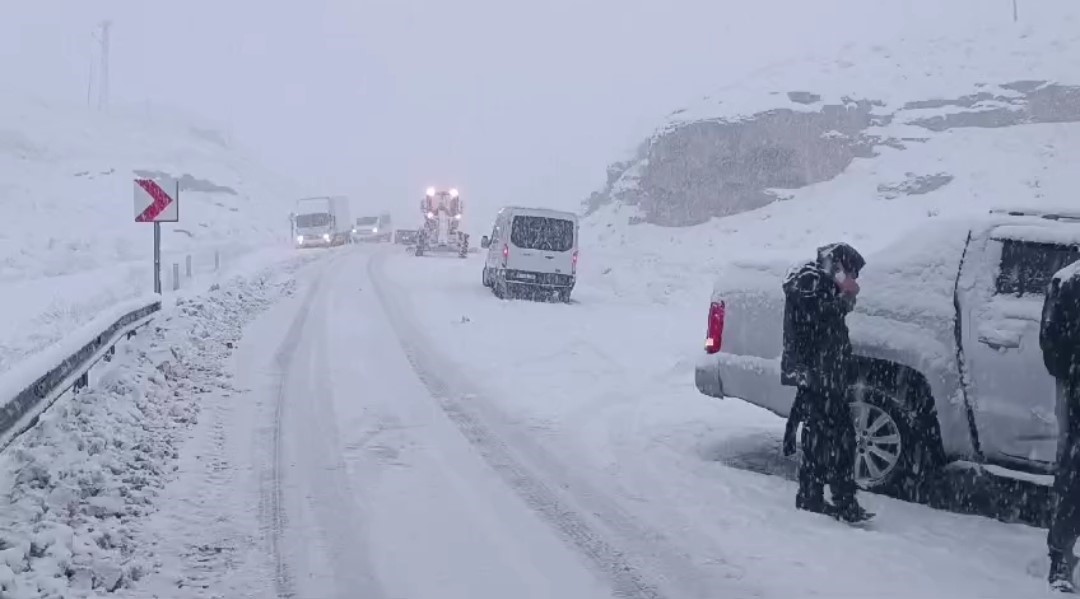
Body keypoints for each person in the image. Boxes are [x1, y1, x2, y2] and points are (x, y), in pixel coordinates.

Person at [781, 242, 872, 523]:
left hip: (823, 376)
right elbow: (817, 323)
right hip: (820, 377)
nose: (854, 281)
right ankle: (838, 501)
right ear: (839, 267)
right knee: (837, 440)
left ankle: (815, 497)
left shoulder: (816, 283)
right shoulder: (811, 283)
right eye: (852, 274)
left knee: (822, 439)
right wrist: (842, 300)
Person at [1041, 259, 1080, 592]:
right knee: (1072, 478)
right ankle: (1061, 560)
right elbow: (1051, 343)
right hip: (1077, 394)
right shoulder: (1067, 282)